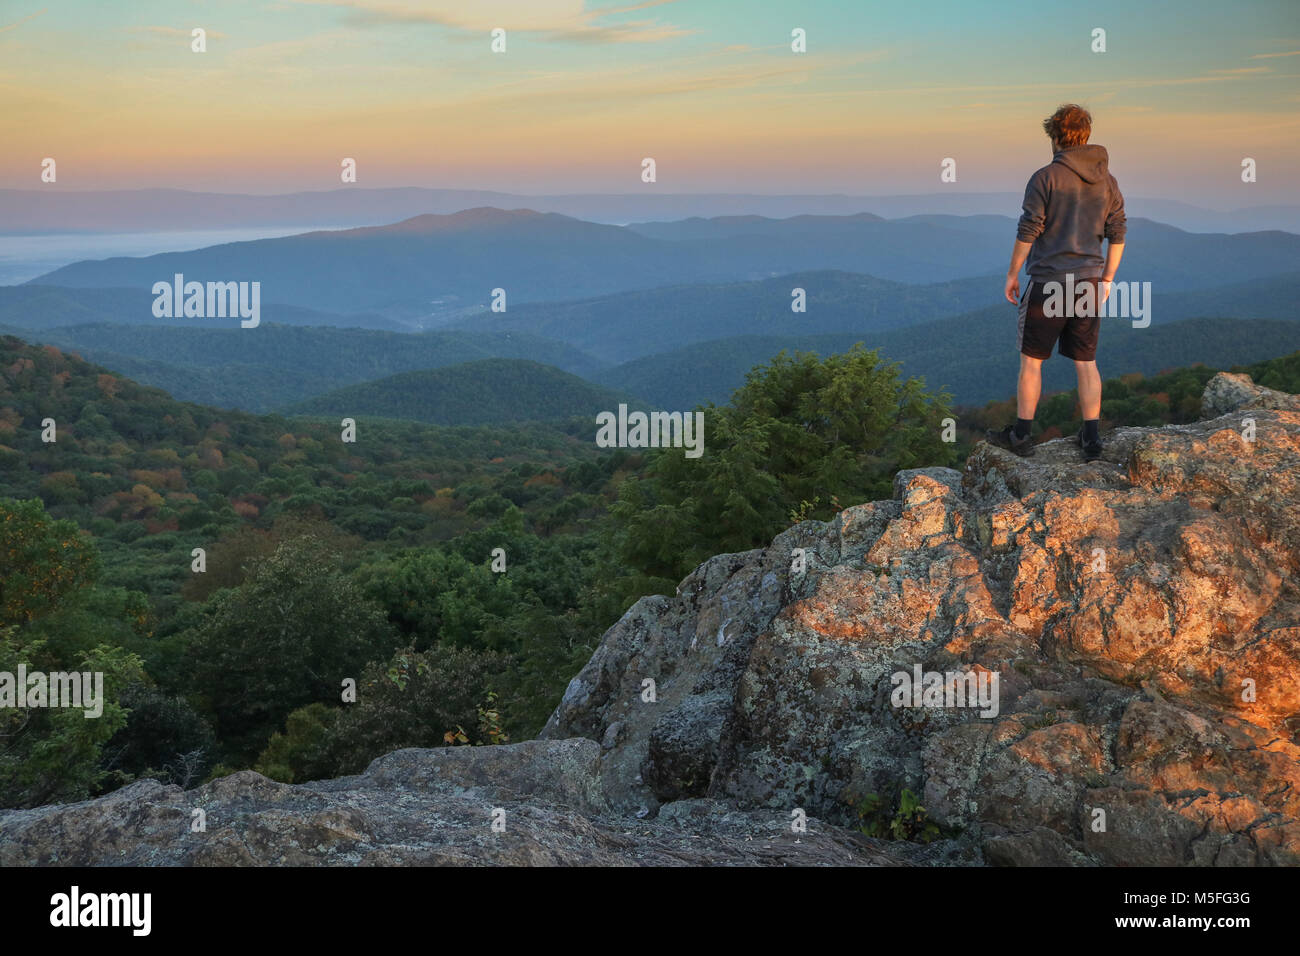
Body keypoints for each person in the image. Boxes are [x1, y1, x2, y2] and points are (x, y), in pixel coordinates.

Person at [987, 104, 1126, 461]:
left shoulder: (1045, 177)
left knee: (1032, 362)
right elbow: (1118, 232)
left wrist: (1013, 273)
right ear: (1086, 134)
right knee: (1087, 362)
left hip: (1049, 281)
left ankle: (1021, 435)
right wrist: (1107, 278)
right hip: (1089, 283)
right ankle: (1092, 438)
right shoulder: (1108, 181)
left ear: (1054, 136)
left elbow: (1028, 230)